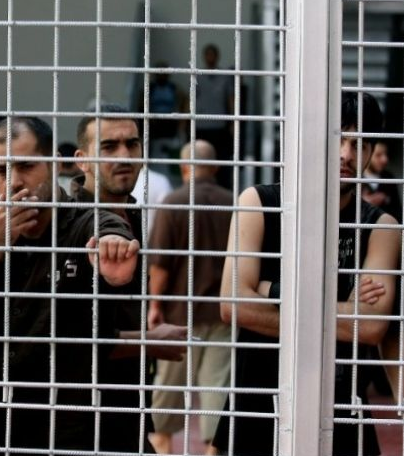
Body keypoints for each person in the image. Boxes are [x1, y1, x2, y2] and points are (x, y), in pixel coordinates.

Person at [0, 116, 184, 455]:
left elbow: (109, 232)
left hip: (67, 431)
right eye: (3, 171)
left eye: (26, 166)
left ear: (53, 164)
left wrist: (114, 252)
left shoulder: (87, 221)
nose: (15, 182)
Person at [211, 92, 399, 455]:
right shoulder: (259, 203)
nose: (346, 154)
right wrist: (343, 309)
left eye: (358, 144)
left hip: (342, 408)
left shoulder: (380, 226)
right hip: (257, 402)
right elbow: (234, 305)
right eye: (337, 139)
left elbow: (371, 326)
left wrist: (270, 290)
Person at [73, 104, 190, 453]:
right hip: (82, 416)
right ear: (82, 160)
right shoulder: (71, 224)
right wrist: (148, 341)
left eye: (132, 144)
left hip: (128, 408)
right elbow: (67, 334)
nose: (124, 156)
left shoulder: (134, 214)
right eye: (109, 147)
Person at [146, 140, 233, 455]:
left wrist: (154, 305)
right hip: (223, 313)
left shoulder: (173, 203)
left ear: (184, 167)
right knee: (217, 386)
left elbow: (160, 265)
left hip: (179, 314)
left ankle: (163, 444)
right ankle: (212, 448)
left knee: (168, 386)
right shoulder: (232, 203)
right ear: (216, 167)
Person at [195, 44, 234, 190]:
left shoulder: (225, 76)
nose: (210, 57)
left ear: (217, 57)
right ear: (204, 57)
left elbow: (231, 98)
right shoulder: (197, 75)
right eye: (207, 54)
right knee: (201, 159)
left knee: (220, 160)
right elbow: (192, 98)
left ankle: (221, 189)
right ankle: (200, 187)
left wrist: (233, 120)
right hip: (201, 125)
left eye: (212, 54)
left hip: (219, 126)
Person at [362, 139, 401, 223]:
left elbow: (398, 212)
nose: (385, 159)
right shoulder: (356, 178)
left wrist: (385, 200)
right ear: (367, 156)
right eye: (378, 155)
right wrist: (364, 202)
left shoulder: (388, 177)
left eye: (386, 154)